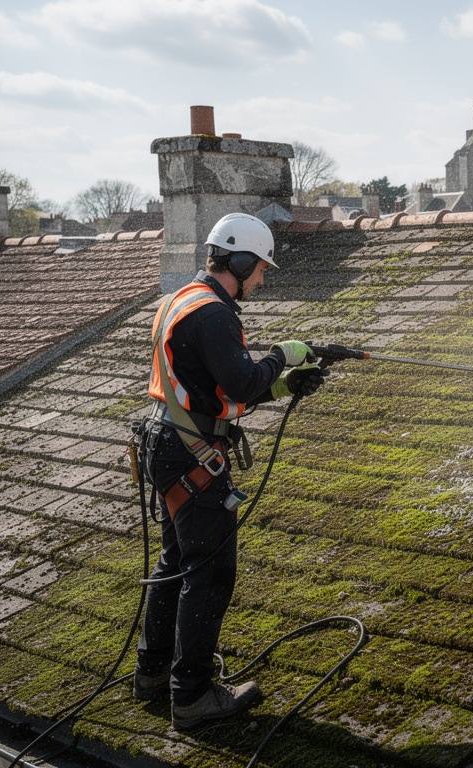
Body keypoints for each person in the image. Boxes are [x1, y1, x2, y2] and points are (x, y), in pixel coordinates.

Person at [131, 212, 323, 730]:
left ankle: (153, 674)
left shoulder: (180, 300)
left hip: (168, 444)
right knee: (209, 573)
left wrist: (281, 387)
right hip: (191, 454)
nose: (261, 279)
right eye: (259, 268)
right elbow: (239, 384)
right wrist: (282, 356)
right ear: (238, 261)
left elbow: (210, 387)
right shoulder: (215, 314)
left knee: (176, 563)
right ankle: (191, 696)